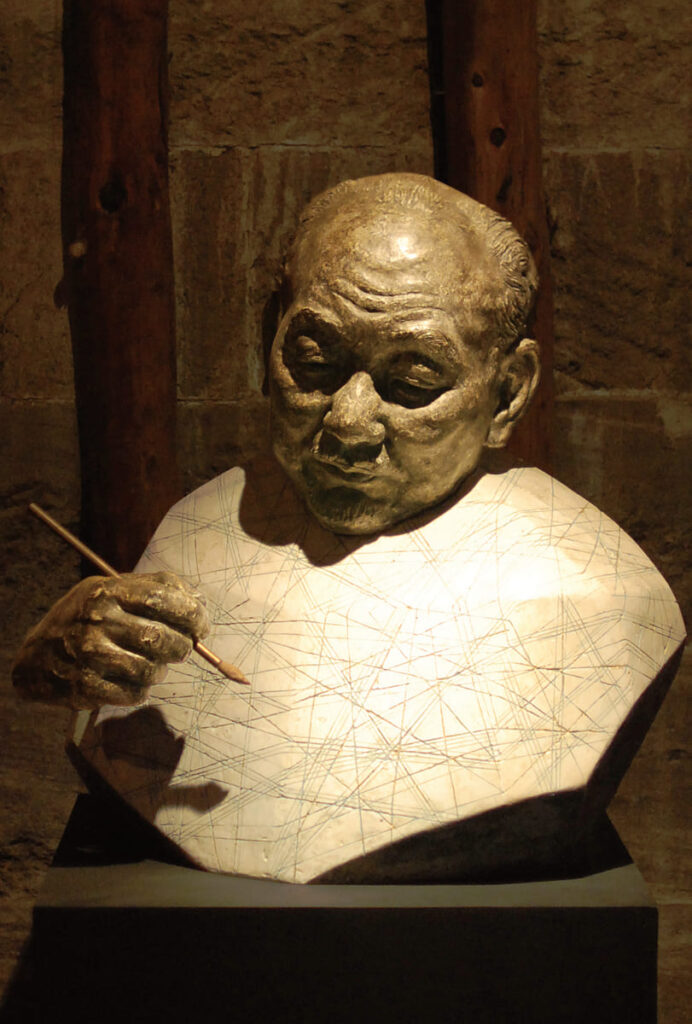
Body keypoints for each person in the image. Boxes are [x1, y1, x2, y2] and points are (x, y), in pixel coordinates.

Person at [12, 174, 684, 883]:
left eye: (413, 382)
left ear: (508, 393)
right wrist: (67, 666)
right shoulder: (203, 528)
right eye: (314, 363)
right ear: (267, 338)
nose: (348, 421)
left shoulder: (599, 589)